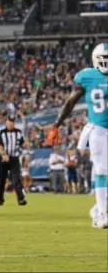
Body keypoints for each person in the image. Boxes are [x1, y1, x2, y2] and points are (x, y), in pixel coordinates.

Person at [47, 43, 108, 228]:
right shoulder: (87, 77)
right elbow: (70, 103)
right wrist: (56, 124)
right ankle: (102, 214)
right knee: (102, 170)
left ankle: (98, 207)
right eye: (103, 59)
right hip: (98, 130)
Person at [0, 114, 27, 205]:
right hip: (4, 158)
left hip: (14, 158)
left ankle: (21, 198)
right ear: (7, 122)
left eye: (12, 122)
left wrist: (25, 144)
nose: (11, 124)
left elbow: (22, 142)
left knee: (17, 178)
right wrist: (3, 154)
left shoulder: (18, 132)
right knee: (2, 179)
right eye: (9, 122)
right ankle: (0, 199)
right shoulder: (1, 132)